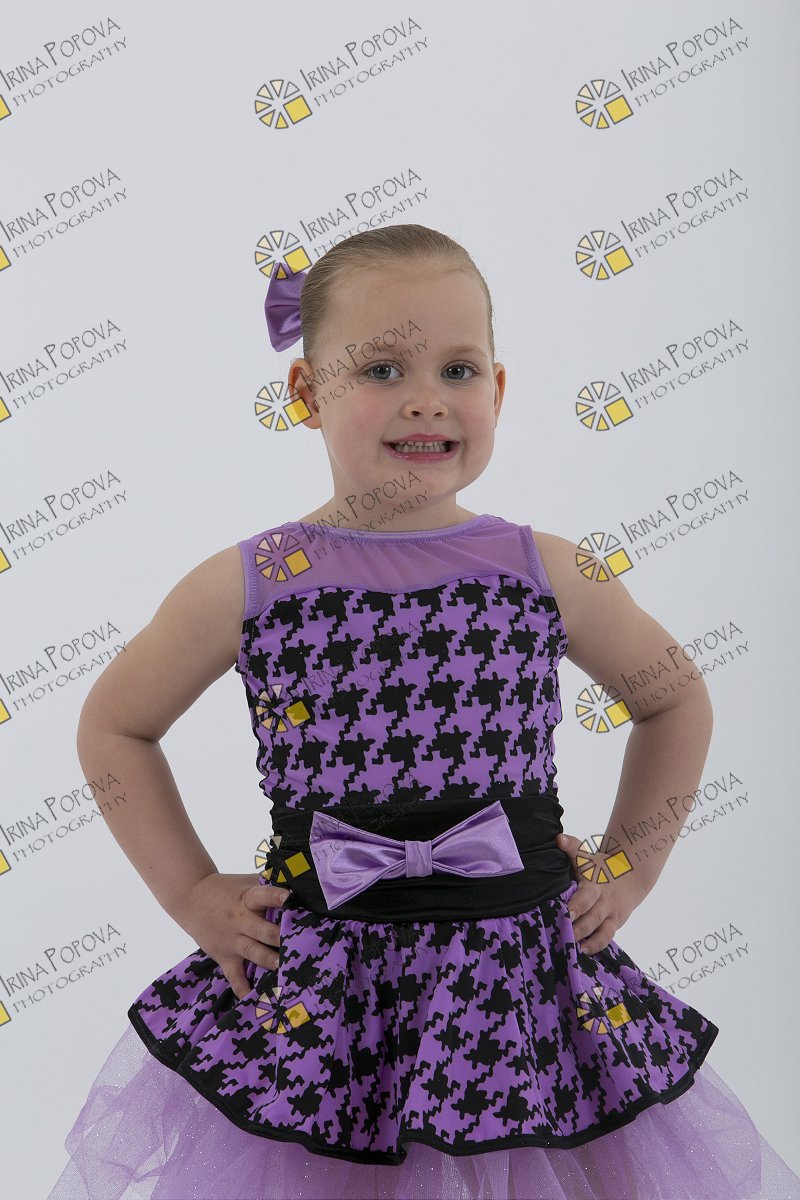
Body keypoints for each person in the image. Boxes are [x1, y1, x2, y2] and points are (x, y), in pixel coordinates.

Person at [48, 224, 800, 1200]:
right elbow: (115, 727)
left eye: (457, 369)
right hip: (327, 989)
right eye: (381, 370)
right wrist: (192, 892)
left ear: (498, 389)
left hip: (520, 979)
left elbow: (673, 698)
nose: (425, 399)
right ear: (305, 393)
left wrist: (629, 864)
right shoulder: (254, 581)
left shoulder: (547, 569)